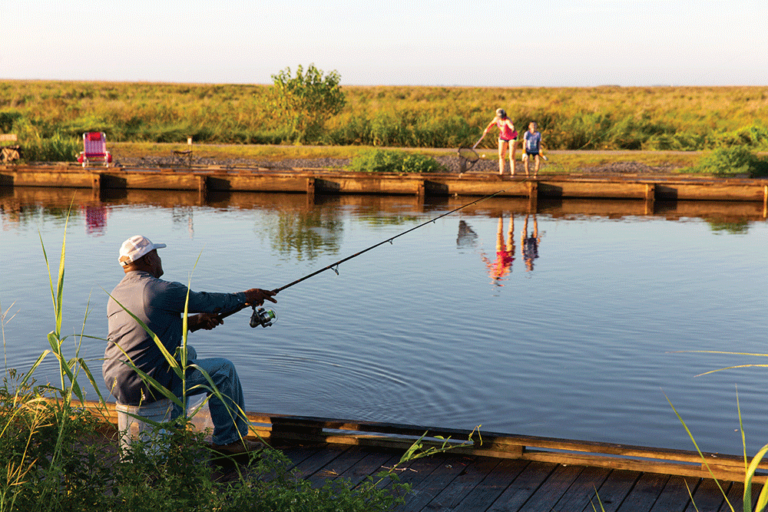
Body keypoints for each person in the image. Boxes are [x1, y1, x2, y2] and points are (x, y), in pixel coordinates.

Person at [103, 235, 276, 455]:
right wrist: (247, 296)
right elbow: (208, 302)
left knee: (188, 352)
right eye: (156, 254)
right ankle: (228, 441)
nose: (159, 259)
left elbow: (146, 331)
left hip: (117, 381)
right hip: (148, 382)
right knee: (224, 371)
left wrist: (195, 322)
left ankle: (175, 431)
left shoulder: (117, 293)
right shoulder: (161, 289)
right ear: (148, 259)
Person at [479, 108, 518, 176]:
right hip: (503, 137)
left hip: (512, 137)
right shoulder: (496, 119)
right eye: (500, 117)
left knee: (511, 156)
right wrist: (487, 129)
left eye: (502, 116)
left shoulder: (507, 120)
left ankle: (513, 173)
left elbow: (510, 125)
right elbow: (491, 123)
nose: (501, 118)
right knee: (501, 155)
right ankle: (501, 173)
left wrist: (512, 128)